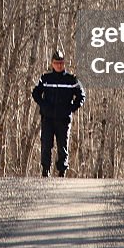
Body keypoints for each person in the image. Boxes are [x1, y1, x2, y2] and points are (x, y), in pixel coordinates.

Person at [31, 49, 85, 177]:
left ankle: (62, 170)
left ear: (64, 63)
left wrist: (71, 108)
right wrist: (43, 105)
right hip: (48, 118)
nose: (59, 65)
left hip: (63, 119)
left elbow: (81, 95)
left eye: (61, 63)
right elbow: (35, 93)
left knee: (62, 146)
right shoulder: (45, 78)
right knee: (46, 144)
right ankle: (45, 170)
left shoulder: (72, 80)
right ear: (52, 64)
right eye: (56, 63)